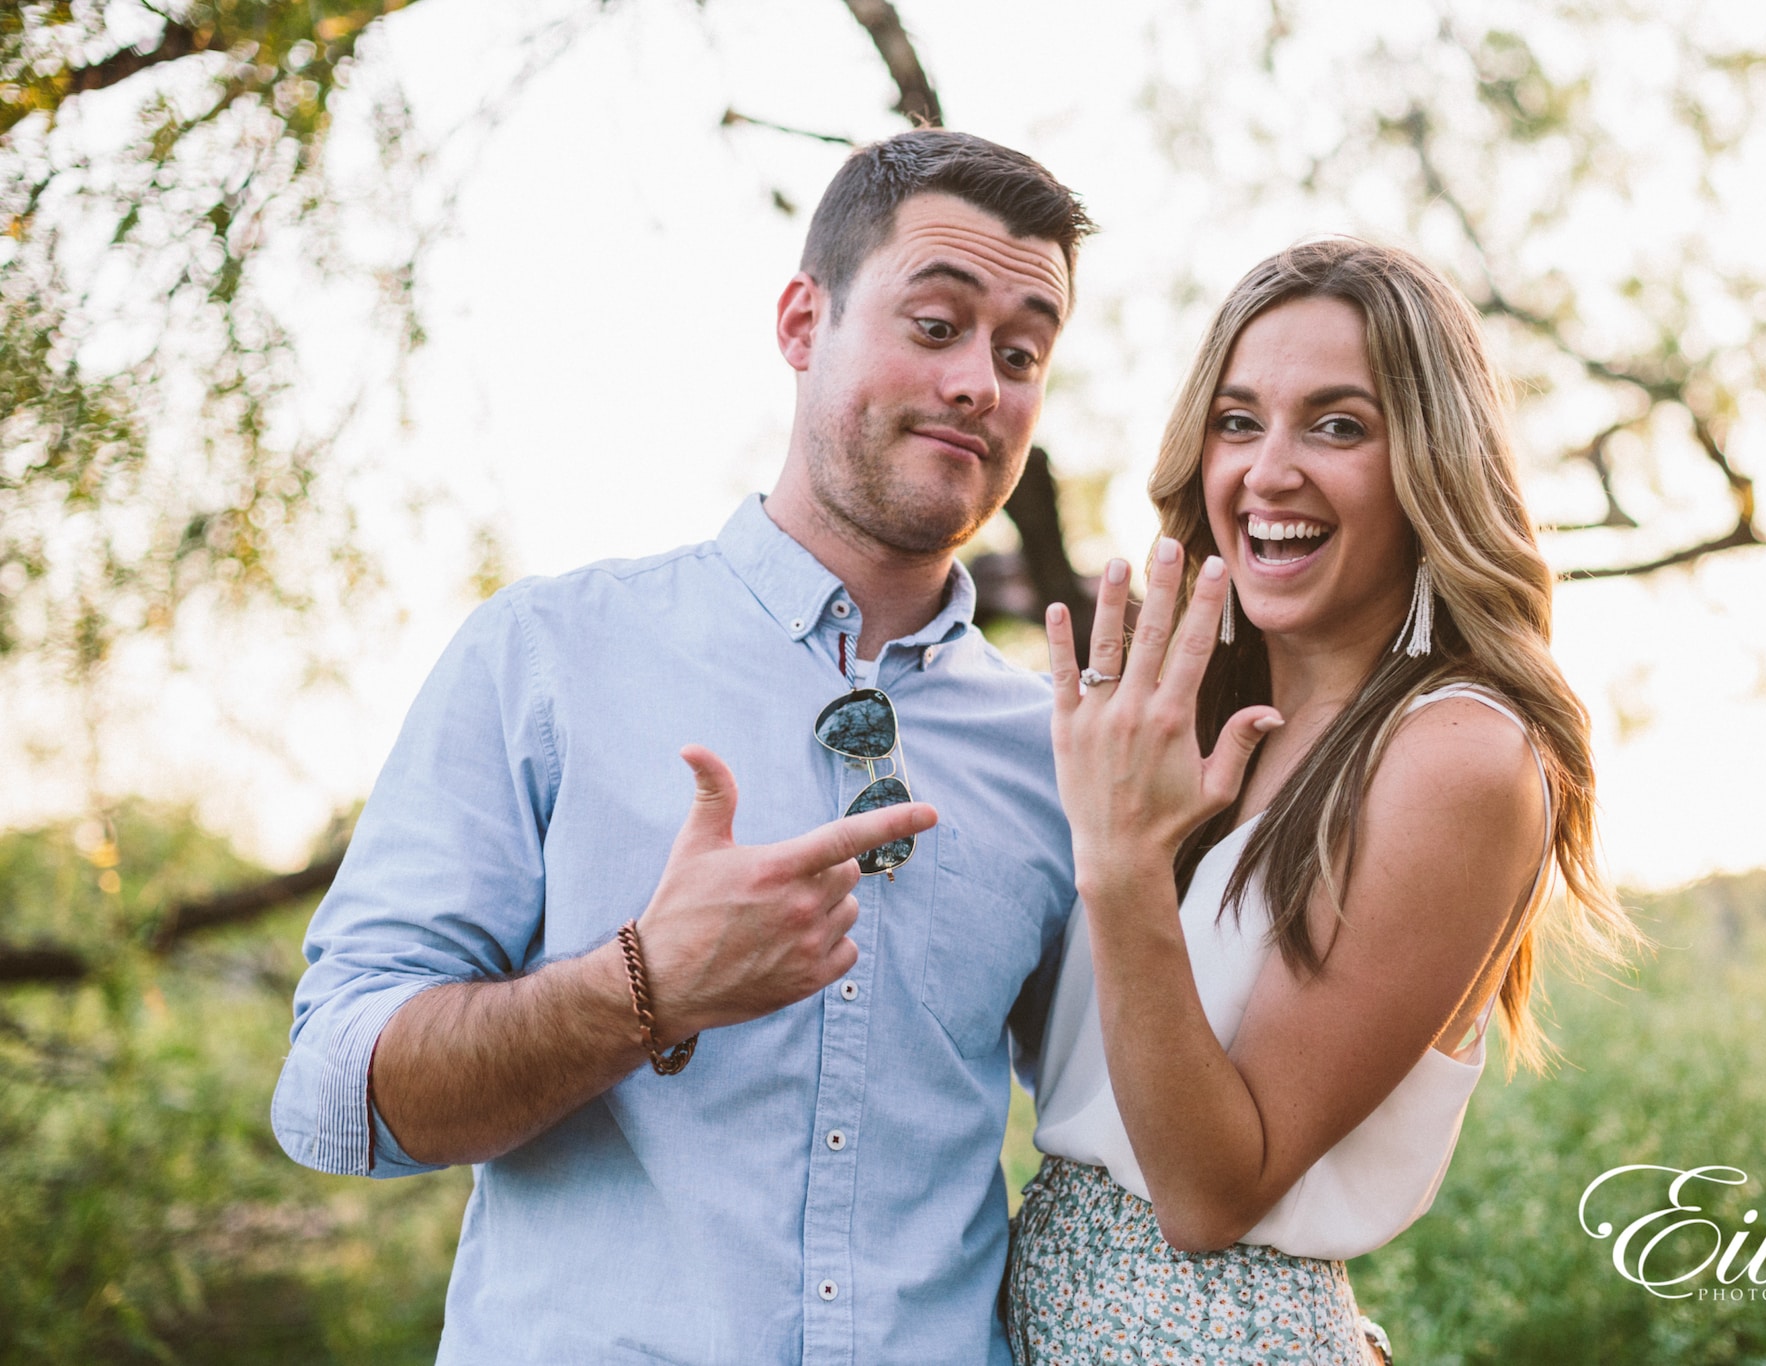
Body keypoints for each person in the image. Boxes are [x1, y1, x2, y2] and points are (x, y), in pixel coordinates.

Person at [271, 129, 1094, 1364]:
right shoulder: (549, 654)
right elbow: (334, 1099)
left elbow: (1124, 1147)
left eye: (1020, 351)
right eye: (935, 325)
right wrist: (640, 984)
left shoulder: (1057, 751)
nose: (982, 380)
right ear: (802, 321)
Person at [1002, 239, 1642, 1364]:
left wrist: (1119, 862)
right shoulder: (1191, 721)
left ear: (1427, 466)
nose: (1266, 471)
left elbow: (1207, 1194)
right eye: (1237, 421)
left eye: (1337, 425)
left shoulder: (1456, 756)